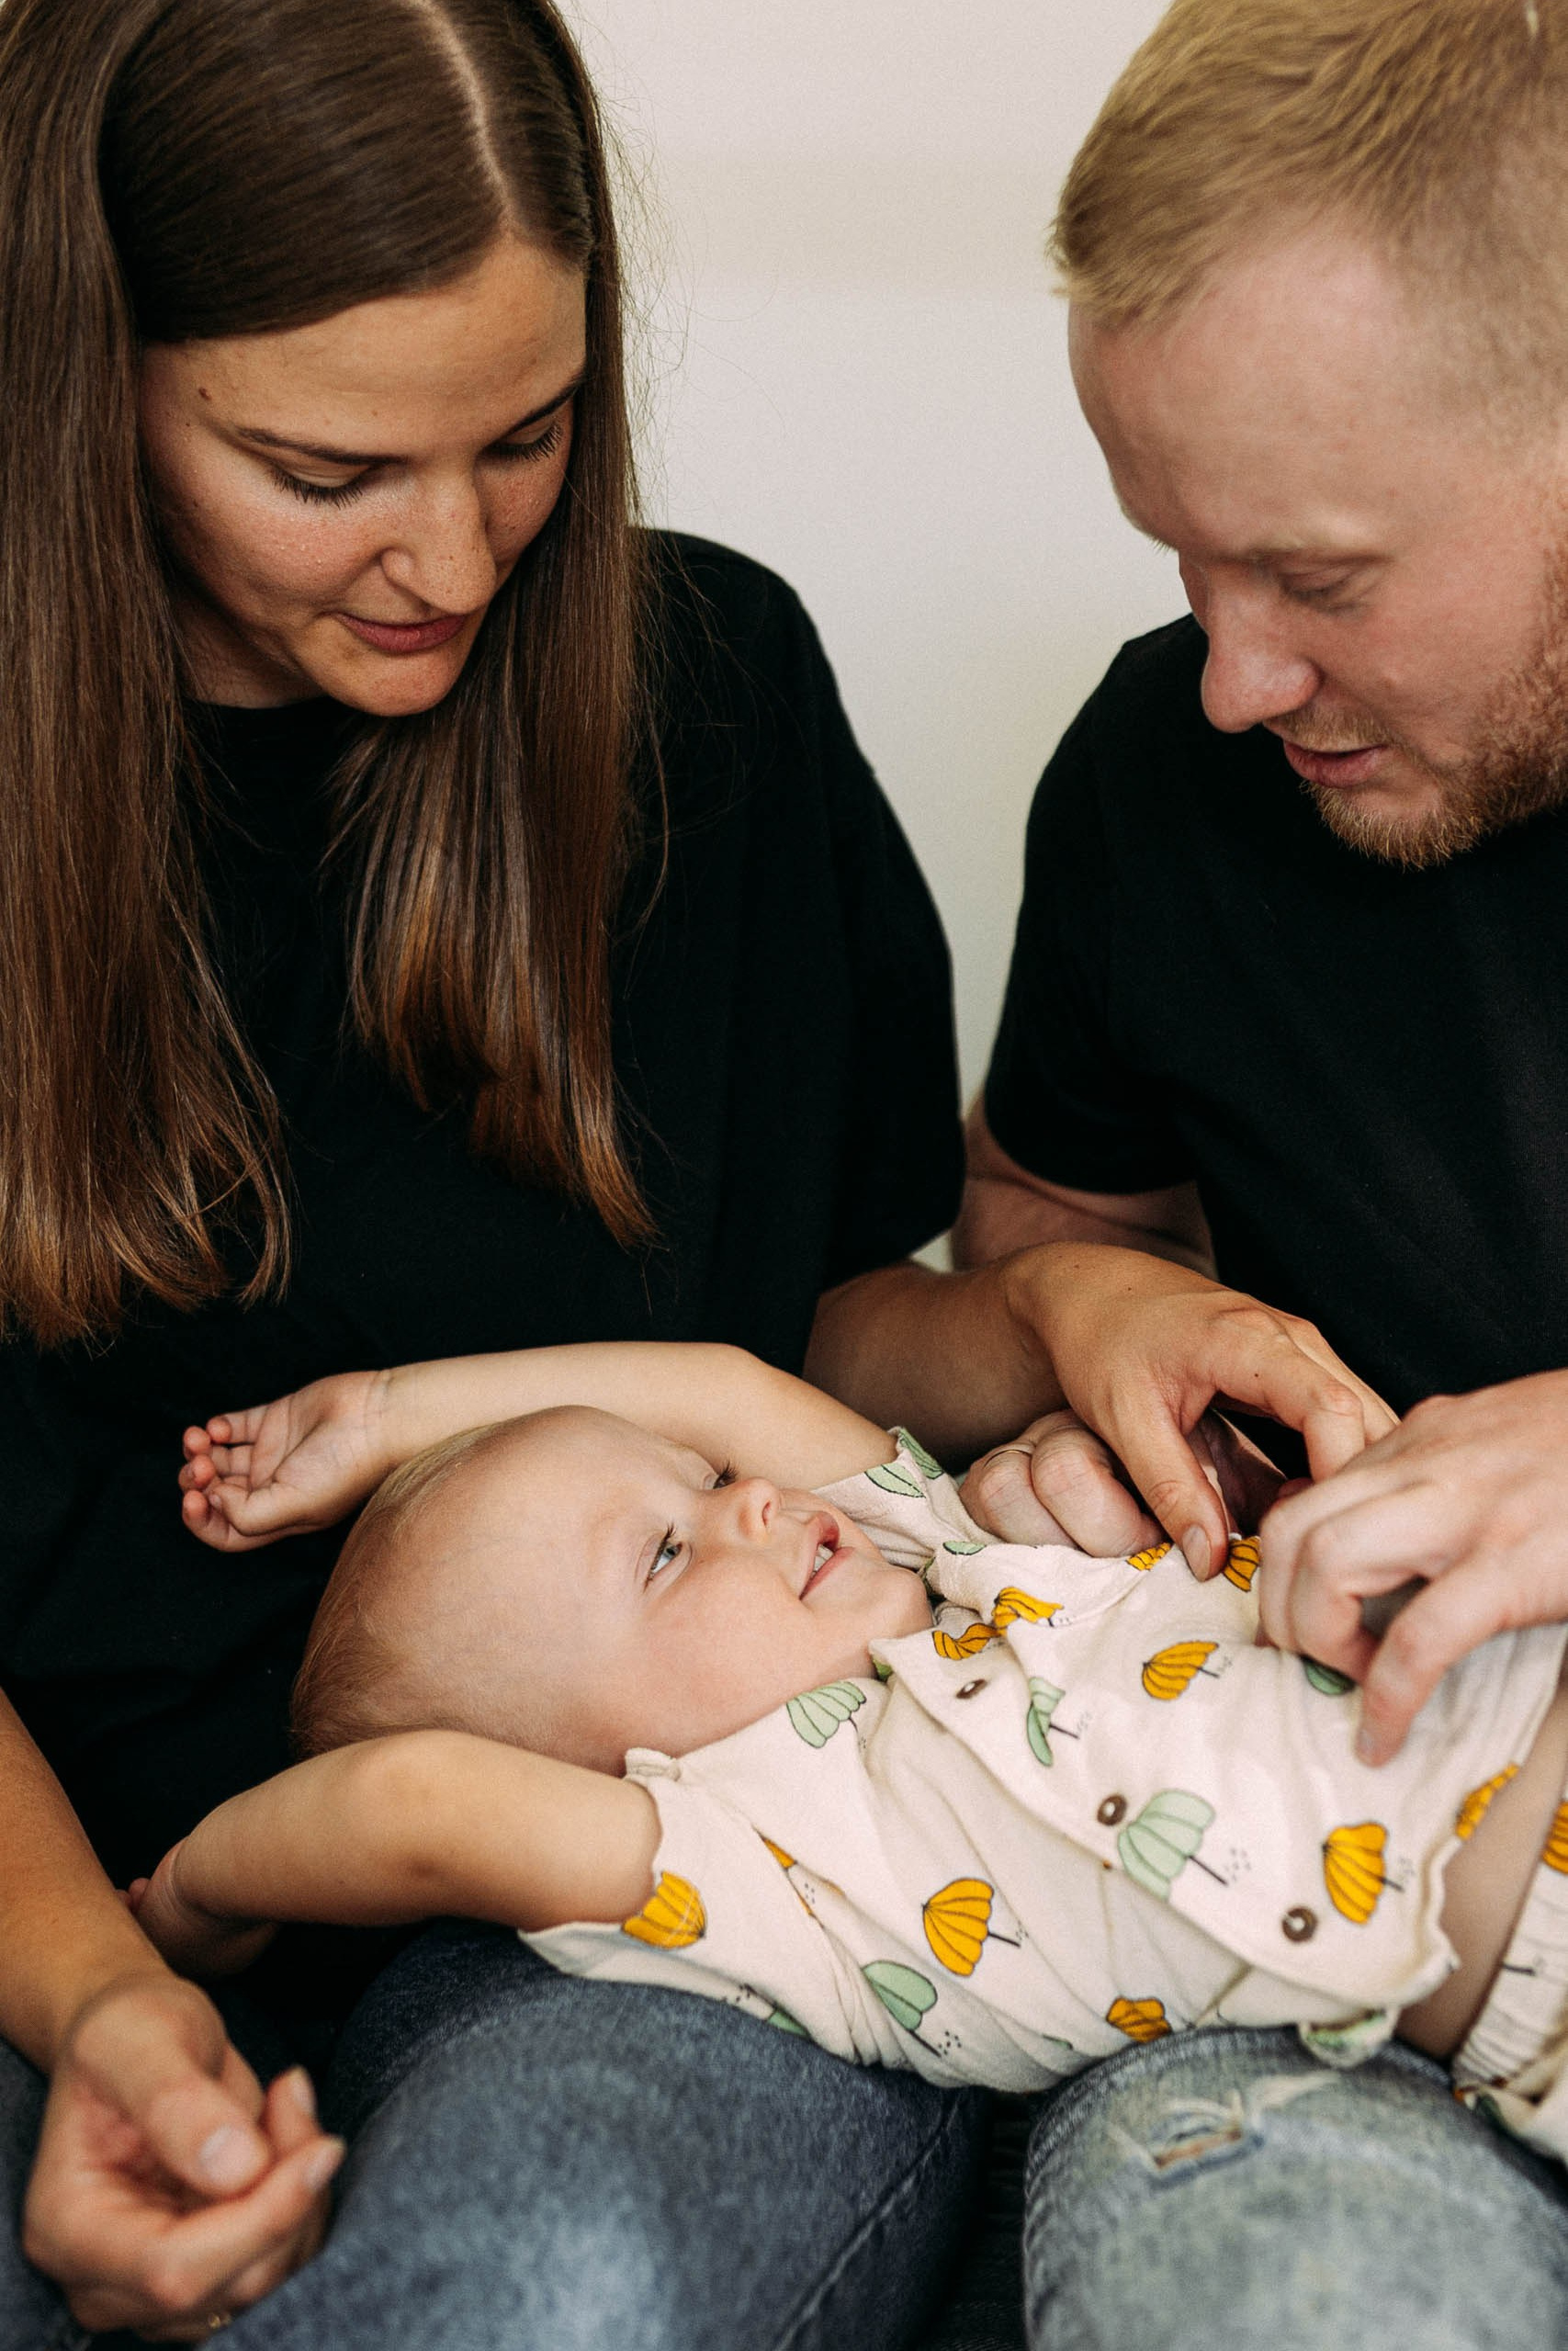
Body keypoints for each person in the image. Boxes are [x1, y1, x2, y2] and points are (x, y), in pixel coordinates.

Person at [0, 0, 1399, 2341]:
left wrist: (1072, 1305)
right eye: (324, 467)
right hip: (69, 1893)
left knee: (564, 2274)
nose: (449, 553)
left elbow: (825, 1321)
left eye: (526, 437)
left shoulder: (703, 691)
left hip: (720, 1863)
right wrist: (97, 1996)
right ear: (81, 376)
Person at [955, 0, 1568, 2342]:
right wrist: (1075, 1350)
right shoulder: (1158, 782)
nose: (1225, 671)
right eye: (1175, 558)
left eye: (1313, 571)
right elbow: (1031, 1248)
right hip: (1320, 1961)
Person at [144, 1338, 1568, 2164]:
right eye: (662, 1553)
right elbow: (414, 1796)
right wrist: (205, 1896)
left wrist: (394, 1409)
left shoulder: (950, 1553)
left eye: (702, 1484)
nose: (752, 1498)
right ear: (591, 1773)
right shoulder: (771, 1870)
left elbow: (718, 1384)